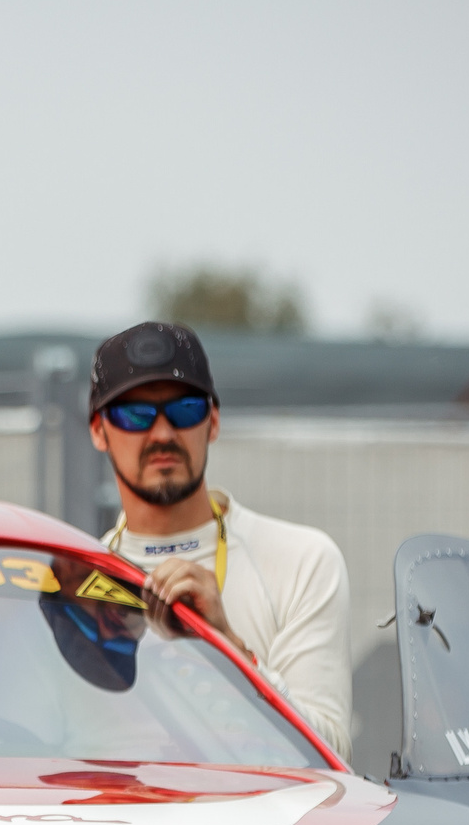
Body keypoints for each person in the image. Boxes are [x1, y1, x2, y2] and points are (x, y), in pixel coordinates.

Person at [88, 321, 353, 761]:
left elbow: (332, 756)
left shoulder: (303, 560)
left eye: (185, 410)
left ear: (212, 421)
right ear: (98, 430)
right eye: (134, 414)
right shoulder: (78, 584)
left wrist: (227, 644)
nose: (162, 434)